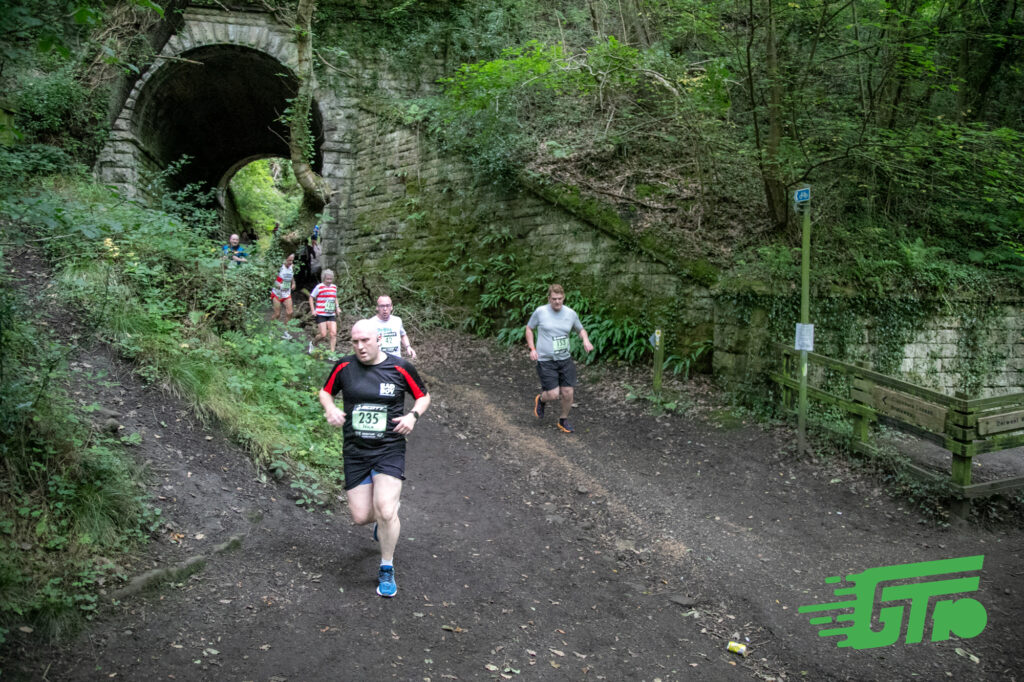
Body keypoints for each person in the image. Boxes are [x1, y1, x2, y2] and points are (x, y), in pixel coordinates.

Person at [319, 319, 431, 598]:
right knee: (360, 517)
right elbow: (325, 392)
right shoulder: (345, 366)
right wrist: (330, 407)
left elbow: (423, 396)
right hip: (355, 450)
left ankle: (386, 566)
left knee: (385, 510)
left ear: (379, 338)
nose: (359, 346)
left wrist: (412, 416)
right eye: (355, 341)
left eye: (364, 341)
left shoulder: (400, 367)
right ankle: (384, 520)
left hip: (389, 448)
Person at [524, 284, 594, 433]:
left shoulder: (570, 314)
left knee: (568, 392)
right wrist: (532, 349)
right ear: (549, 299)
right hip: (546, 360)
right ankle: (541, 400)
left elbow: (580, 329)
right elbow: (529, 328)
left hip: (564, 359)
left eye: (560, 299)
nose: (557, 302)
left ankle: (563, 420)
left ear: (564, 298)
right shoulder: (540, 312)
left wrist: (585, 340)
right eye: (554, 299)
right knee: (553, 394)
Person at [308, 269, 338, 355]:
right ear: (323, 278)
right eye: (327, 279)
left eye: (331, 279)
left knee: (333, 333)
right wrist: (313, 310)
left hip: (331, 313)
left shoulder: (334, 287)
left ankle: (332, 354)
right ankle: (313, 343)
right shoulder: (319, 287)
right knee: (323, 334)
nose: (329, 281)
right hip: (321, 313)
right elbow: (311, 297)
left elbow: (335, 297)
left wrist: (337, 307)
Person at [269, 253, 296, 338]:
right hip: (277, 293)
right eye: (289, 260)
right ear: (284, 259)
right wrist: (279, 285)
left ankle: (286, 331)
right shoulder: (279, 267)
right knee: (277, 314)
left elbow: (291, 276)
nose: (291, 262)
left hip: (286, 293)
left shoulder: (292, 266)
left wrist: (293, 283)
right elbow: (272, 278)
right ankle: (272, 330)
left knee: (290, 312)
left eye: (292, 260)